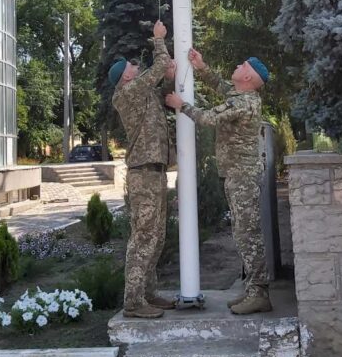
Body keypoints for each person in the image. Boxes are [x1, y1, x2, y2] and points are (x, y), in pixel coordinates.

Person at [165, 50, 270, 314]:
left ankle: (259, 293)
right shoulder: (243, 97)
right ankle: (253, 290)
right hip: (237, 174)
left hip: (242, 176)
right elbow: (223, 87)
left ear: (247, 76)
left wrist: (182, 105)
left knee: (249, 236)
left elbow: (208, 118)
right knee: (242, 233)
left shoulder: (244, 103)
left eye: (241, 62)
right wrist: (202, 67)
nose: (237, 63)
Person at [110, 21, 177, 319]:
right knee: (144, 236)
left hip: (155, 170)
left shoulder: (142, 92)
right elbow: (159, 64)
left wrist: (171, 79)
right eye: (130, 67)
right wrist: (159, 39)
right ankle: (133, 301)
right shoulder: (127, 93)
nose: (135, 67)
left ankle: (148, 293)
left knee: (157, 235)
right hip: (143, 172)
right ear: (125, 77)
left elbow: (162, 90)